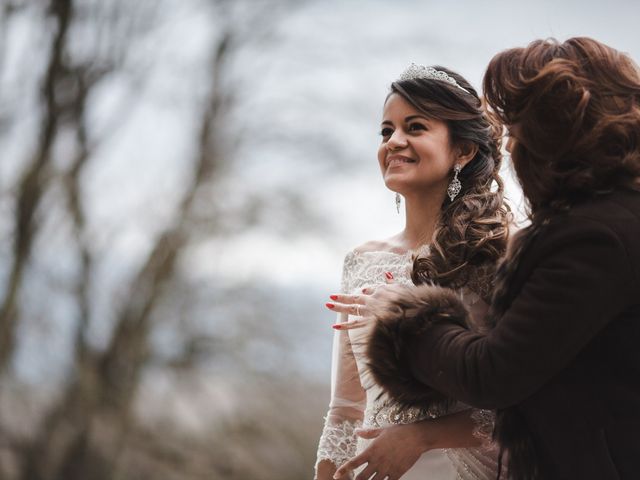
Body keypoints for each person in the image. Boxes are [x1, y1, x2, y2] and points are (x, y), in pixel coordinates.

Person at [364, 37, 640, 480]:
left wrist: (402, 320)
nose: (510, 149)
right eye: (385, 130)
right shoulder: (609, 219)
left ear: (560, 133)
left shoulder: (594, 237)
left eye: (519, 131)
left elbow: (495, 375)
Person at [314, 64, 512, 480]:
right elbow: (346, 410)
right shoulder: (362, 261)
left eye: (415, 127)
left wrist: (420, 436)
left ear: (464, 150)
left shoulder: (499, 253)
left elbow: (526, 403)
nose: (395, 142)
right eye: (386, 131)